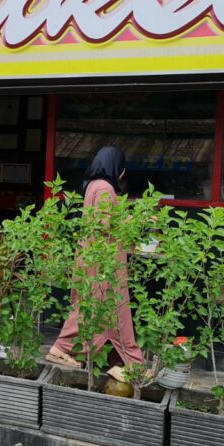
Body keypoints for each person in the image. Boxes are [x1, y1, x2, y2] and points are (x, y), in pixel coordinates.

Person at [45, 146, 146, 381]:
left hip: (92, 255)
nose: (122, 174)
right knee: (106, 305)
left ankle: (116, 359)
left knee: (96, 306)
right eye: (122, 168)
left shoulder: (92, 185)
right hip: (103, 259)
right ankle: (63, 348)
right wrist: (137, 218)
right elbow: (104, 223)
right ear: (117, 168)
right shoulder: (105, 187)